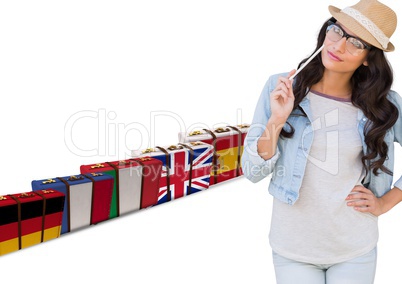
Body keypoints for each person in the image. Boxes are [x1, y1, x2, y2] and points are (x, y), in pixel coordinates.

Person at [241, 0, 402, 283]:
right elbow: (253, 172)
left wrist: (385, 202)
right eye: (337, 31)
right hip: (293, 248)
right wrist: (277, 119)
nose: (338, 46)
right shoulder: (279, 88)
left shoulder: (384, 105)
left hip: (355, 248)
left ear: (368, 57)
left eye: (356, 42)